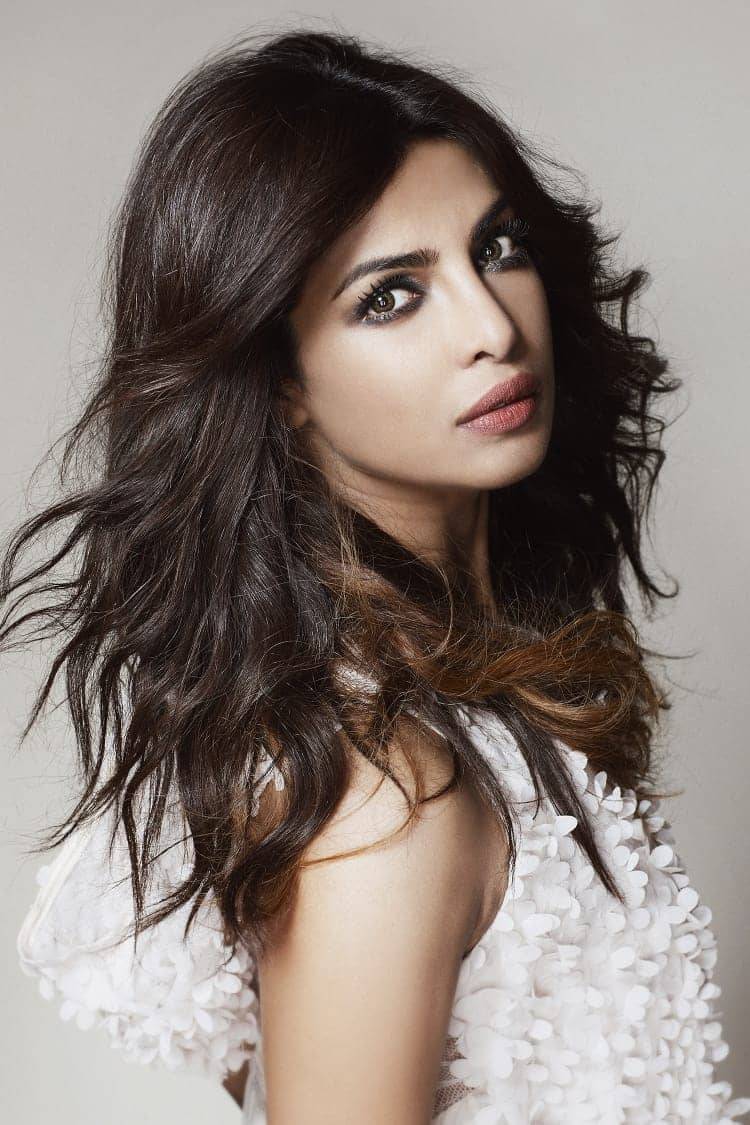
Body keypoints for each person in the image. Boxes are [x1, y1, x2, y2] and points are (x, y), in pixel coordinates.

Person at [7, 27, 749, 1125]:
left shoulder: (460, 705)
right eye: (391, 297)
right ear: (282, 380)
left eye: (498, 247)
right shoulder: (389, 794)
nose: (493, 327)